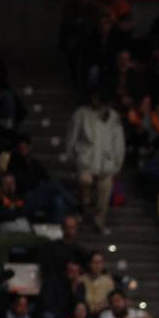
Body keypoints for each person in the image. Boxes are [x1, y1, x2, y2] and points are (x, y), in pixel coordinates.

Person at [65, 91, 125, 234]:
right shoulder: (81, 114)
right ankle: (83, 208)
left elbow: (118, 141)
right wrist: (72, 157)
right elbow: (71, 137)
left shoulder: (113, 116)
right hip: (86, 160)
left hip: (107, 162)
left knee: (104, 194)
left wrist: (118, 164)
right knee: (85, 182)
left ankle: (100, 222)